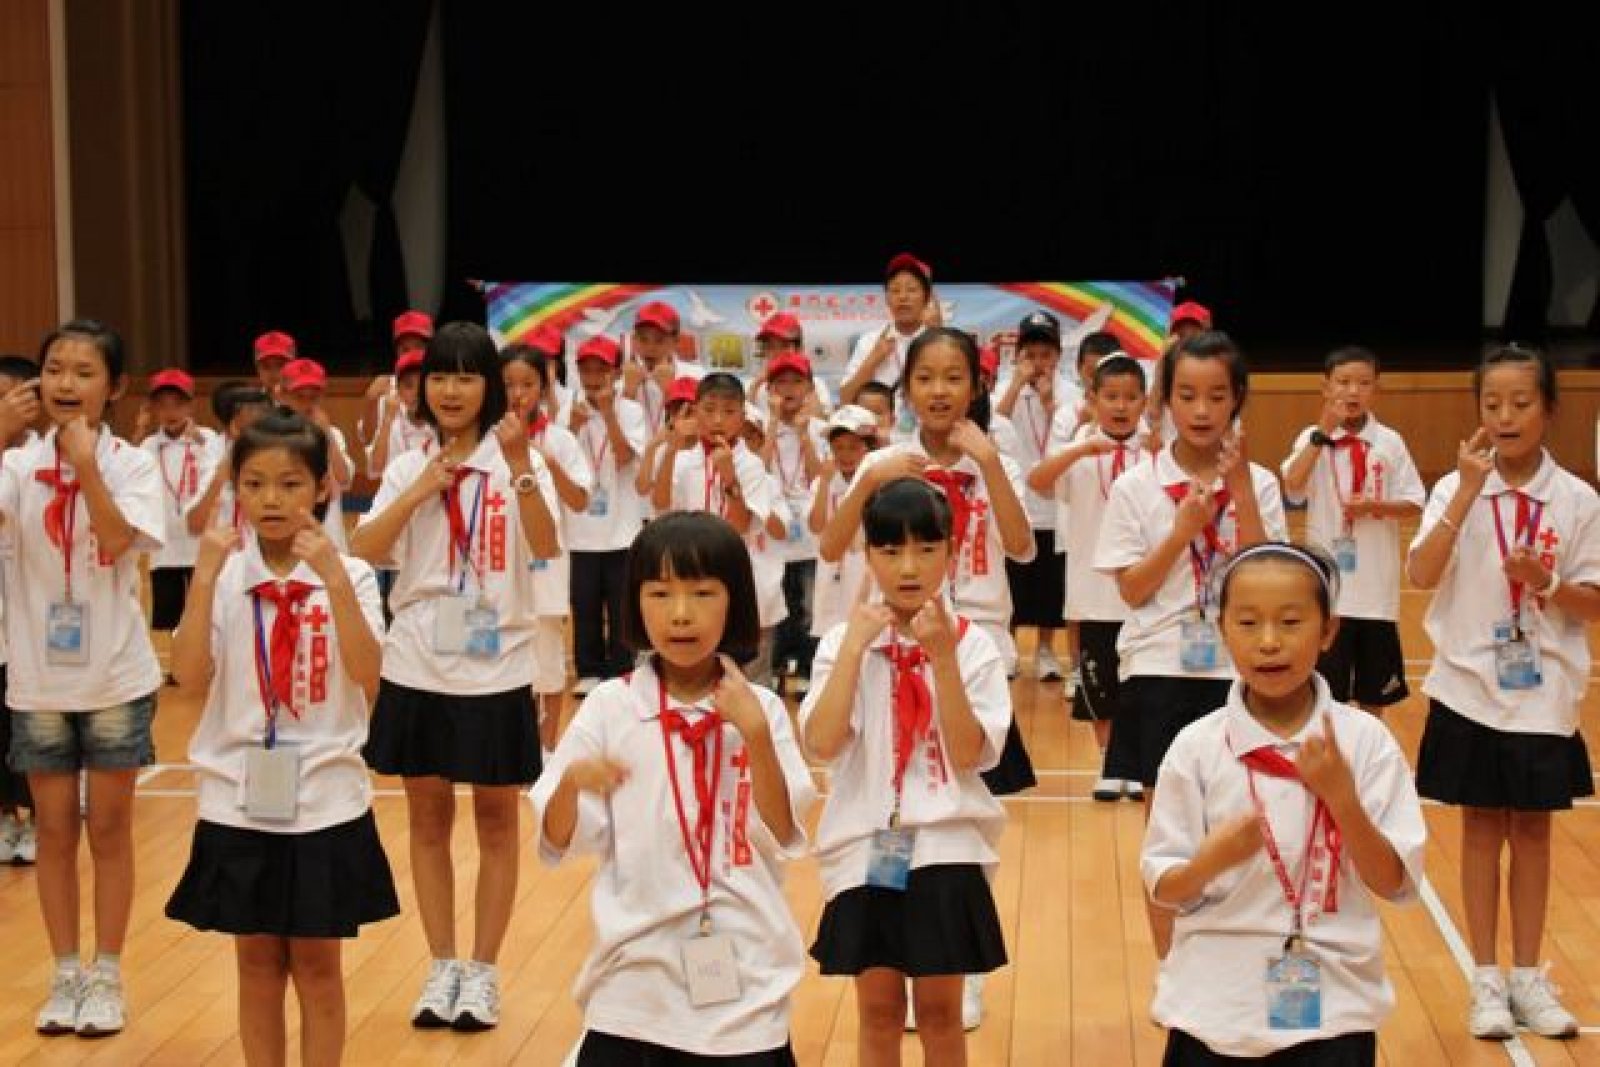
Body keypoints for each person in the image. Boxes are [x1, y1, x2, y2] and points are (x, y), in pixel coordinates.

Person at [531, 512, 815, 1065]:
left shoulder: (759, 709)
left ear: (735, 601)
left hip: (746, 974)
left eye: (703, 593)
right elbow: (557, 839)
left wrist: (755, 735)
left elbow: (784, 831)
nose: (680, 613)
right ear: (635, 603)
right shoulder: (612, 706)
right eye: (659, 594)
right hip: (633, 976)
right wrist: (570, 783)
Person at [165, 411, 398, 1067]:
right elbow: (189, 676)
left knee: (319, 966)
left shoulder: (350, 574)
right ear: (235, 487)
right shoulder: (225, 575)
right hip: (237, 800)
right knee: (257, 963)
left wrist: (331, 579)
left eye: (290, 483)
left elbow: (370, 675)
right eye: (255, 483)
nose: (272, 499)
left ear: (322, 488)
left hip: (325, 798)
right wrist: (203, 577)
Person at [350, 321, 560, 1033]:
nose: (450, 389)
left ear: (489, 386)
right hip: (416, 661)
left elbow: (546, 542)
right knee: (428, 818)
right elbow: (363, 547)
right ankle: (441, 964)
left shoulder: (516, 459)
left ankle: (484, 970)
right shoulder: (410, 465)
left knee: (496, 819)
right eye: (439, 375)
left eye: (467, 376)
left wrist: (521, 465)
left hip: (496, 665)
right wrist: (417, 492)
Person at [1143, 543, 1425, 1064]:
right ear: (1222, 629)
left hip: (1336, 1009)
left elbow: (1392, 882)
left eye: (1291, 622)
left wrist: (1342, 798)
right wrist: (1210, 862)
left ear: (1328, 631)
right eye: (1248, 623)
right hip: (1214, 1005)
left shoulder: (1365, 743)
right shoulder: (1196, 748)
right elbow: (1164, 887)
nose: (1269, 641)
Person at [1405, 343, 1600, 1040]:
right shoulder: (1456, 488)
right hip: (1468, 684)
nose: (1506, 415)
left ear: (1549, 408)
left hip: (1543, 689)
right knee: (1482, 827)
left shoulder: (1577, 500)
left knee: (1535, 831)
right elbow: (1422, 573)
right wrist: (1464, 491)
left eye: (1521, 402)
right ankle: (1485, 979)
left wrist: (1546, 582)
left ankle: (1527, 977)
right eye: (1492, 403)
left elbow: (1593, 603)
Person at [803, 476, 1010, 1066]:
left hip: (947, 844)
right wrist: (853, 648)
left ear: (951, 550)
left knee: (941, 1014)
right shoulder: (843, 643)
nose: (909, 566)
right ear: (868, 555)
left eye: (926, 548)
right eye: (891, 550)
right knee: (878, 1013)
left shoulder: (973, 646)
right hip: (866, 845)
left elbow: (969, 753)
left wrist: (941, 658)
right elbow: (822, 743)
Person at [1094, 329, 1287, 958]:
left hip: (1242, 672)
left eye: (1217, 396)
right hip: (1157, 670)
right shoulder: (1137, 486)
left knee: (1249, 825)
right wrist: (1182, 533)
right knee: (1169, 836)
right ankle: (1173, 970)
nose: (1202, 411)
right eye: (1187, 395)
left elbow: (1268, 577)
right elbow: (1132, 590)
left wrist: (1243, 492)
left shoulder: (1258, 482)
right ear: (1165, 401)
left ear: (1238, 401)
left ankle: (1237, 959)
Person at [0, 319, 165, 1037]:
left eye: (84, 371)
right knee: (55, 830)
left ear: (115, 386)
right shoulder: (15, 465)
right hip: (38, 680)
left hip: (114, 679)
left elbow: (119, 539)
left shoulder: (132, 465)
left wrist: (87, 466)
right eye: (54, 369)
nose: (65, 382)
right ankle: (65, 971)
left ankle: (107, 973)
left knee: (111, 830)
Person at [1027, 351, 1149, 801]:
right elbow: (1037, 481)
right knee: (1099, 683)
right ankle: (1109, 764)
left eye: (1130, 397)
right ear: (1092, 400)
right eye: (1110, 397)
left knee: (1140, 683)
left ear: (1144, 402)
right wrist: (1081, 448)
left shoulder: (1155, 452)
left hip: (1143, 590)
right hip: (1092, 591)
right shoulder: (1077, 448)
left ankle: (1138, 764)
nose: (1120, 406)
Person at [1279, 347, 1424, 715]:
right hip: (1330, 592)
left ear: (1377, 389)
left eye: (1363, 383)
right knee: (1327, 696)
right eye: (1343, 382)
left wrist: (1376, 507)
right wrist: (1321, 434)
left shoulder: (1389, 442)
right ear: (1326, 387)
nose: (1353, 391)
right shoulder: (1312, 437)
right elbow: (1292, 485)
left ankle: (1368, 753)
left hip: (1376, 594)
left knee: (1375, 696)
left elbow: (1415, 502)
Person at [503, 341, 594, 759]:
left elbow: (580, 500)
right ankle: (510, 747)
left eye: (527, 384)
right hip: (499, 568)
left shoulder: (560, 439)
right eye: (508, 385)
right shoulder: (486, 440)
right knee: (501, 658)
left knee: (548, 660)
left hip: (547, 566)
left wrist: (547, 462)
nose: (518, 394)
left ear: (544, 387)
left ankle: (547, 749)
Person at [562, 336, 648, 695]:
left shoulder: (631, 411)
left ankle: (622, 669)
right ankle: (588, 668)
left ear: (615, 373)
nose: (594, 378)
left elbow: (626, 457)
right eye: (587, 370)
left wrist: (609, 413)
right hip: (579, 529)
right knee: (584, 603)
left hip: (622, 528)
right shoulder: (568, 407)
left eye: (602, 370)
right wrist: (572, 427)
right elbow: (556, 459)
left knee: (621, 603)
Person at [996, 312, 1069, 682]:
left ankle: (1045, 649)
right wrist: (1016, 385)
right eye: (1031, 355)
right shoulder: (1005, 388)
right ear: (1018, 356)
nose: (1039, 363)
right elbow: (992, 424)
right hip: (1016, 501)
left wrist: (1050, 402)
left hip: (1056, 506)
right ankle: (1008, 649)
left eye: (1046, 354)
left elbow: (1073, 434)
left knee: (1050, 585)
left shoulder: (1070, 392)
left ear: (1058, 356)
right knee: (1012, 582)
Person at [760, 347, 828, 689]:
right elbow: (757, 471)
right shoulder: (759, 426)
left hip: (811, 532)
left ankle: (805, 669)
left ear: (810, 388)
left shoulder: (823, 430)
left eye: (796, 382)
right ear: (769, 389)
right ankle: (775, 668)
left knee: (811, 603)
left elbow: (820, 479)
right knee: (777, 600)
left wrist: (804, 436)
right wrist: (773, 424)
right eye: (781, 383)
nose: (788, 390)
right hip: (774, 530)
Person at [136, 369, 218, 642]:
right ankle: (174, 661)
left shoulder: (207, 439)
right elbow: (130, 471)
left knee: (204, 612)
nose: (170, 412)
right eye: (162, 405)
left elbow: (221, 470)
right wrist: (139, 431)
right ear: (153, 409)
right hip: (165, 547)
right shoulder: (149, 445)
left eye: (178, 404)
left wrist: (200, 443)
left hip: (199, 544)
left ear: (191, 406)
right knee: (168, 618)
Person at [0, 355, 40, 866]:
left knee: (27, 730)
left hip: (33, 620)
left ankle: (32, 818)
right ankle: (6, 816)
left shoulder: (40, 457)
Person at [809, 405, 879, 641]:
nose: (845, 455)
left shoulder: (879, 484)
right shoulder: (823, 483)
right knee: (831, 638)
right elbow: (816, 526)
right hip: (831, 572)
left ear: (869, 448)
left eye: (853, 447)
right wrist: (824, 482)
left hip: (865, 570)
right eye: (838, 447)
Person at [276, 359, 355, 552]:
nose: (307, 404)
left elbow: (345, 480)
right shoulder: (270, 437)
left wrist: (326, 433)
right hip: (285, 537)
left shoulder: (333, 434)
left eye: (313, 397)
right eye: (299, 397)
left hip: (330, 537)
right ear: (282, 396)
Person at [838, 254, 933, 410]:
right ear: (887, 299)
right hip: (877, 425)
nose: (903, 297)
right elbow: (845, 399)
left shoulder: (937, 344)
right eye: (895, 290)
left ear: (926, 298)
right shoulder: (870, 342)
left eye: (911, 290)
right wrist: (872, 361)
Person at [188, 382, 272, 537]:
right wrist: (223, 472)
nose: (255, 434)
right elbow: (195, 525)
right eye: (246, 428)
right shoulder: (213, 451)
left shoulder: (280, 451)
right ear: (228, 426)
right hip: (225, 548)